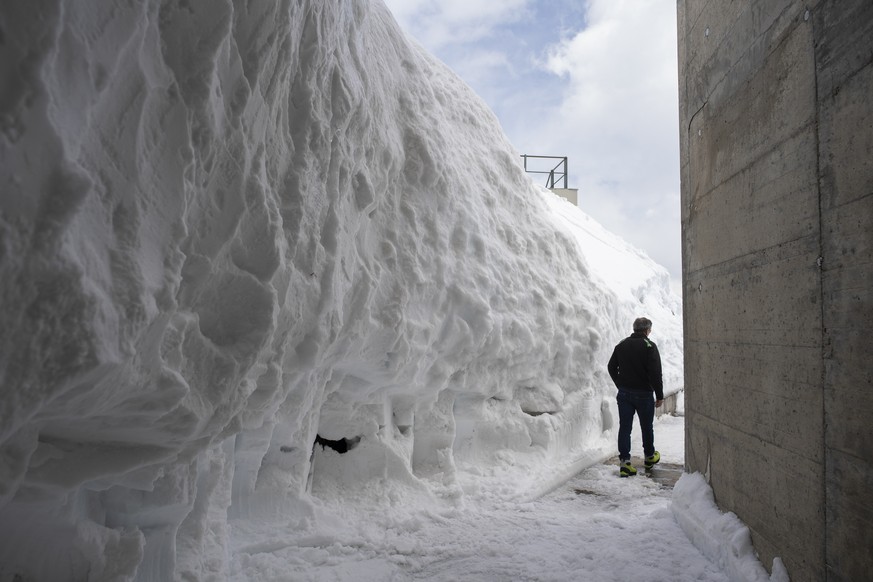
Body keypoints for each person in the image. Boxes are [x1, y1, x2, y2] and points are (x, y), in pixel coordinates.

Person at [607, 317, 664, 477]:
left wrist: (620, 384)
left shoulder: (622, 344)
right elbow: (655, 373)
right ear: (647, 330)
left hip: (624, 394)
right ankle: (650, 457)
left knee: (625, 428)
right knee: (647, 427)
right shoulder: (649, 346)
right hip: (644, 394)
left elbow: (611, 366)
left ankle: (625, 464)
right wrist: (659, 395)